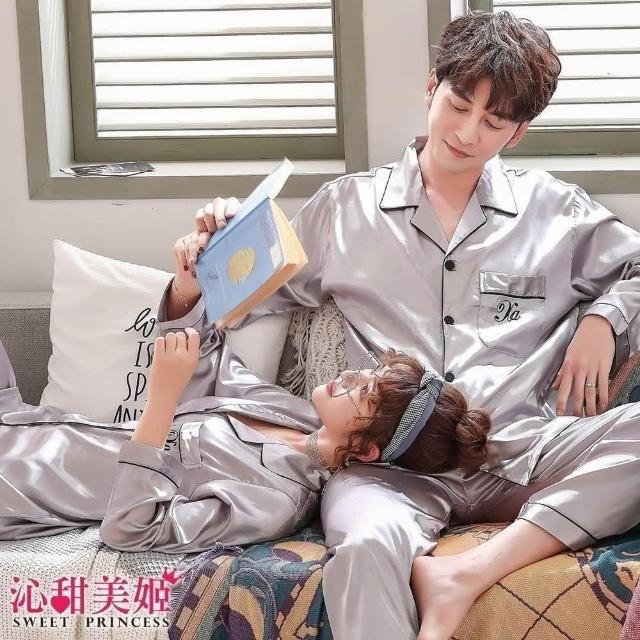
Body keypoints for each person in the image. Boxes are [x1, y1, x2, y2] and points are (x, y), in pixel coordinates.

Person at [163, 9, 640, 640]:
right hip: (387, 471)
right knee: (363, 548)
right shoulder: (343, 210)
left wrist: (604, 316)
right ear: (431, 87)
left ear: (518, 132)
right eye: (458, 105)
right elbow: (225, 307)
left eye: (493, 122)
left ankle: (465, 574)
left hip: (519, 452)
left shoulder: (558, 213)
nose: (466, 132)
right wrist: (200, 268)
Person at [0, 325, 490, 553]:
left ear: (365, 450)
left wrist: (163, 397)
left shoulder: (275, 501)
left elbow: (131, 528)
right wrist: (189, 285)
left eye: (363, 393)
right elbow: (209, 359)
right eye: (368, 373)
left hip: (17, 483)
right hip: (22, 419)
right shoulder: (293, 415)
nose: (349, 376)